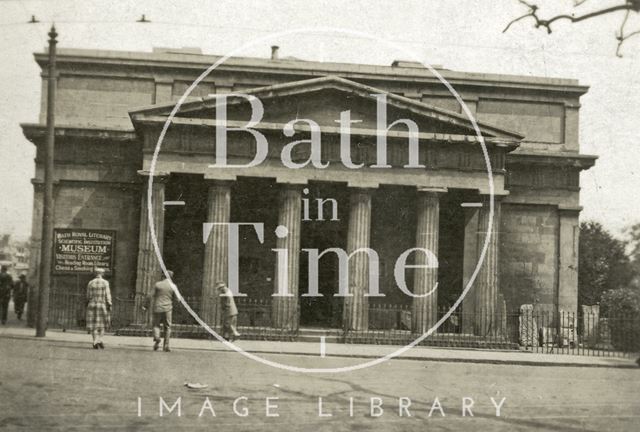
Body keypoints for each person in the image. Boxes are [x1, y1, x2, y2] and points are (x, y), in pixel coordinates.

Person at [143, 270, 176, 352]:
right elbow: (178, 299)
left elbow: (150, 296)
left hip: (157, 308)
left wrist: (145, 305)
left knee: (156, 325)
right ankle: (166, 345)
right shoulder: (173, 286)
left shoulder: (158, 284)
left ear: (163, 276)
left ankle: (157, 338)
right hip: (168, 308)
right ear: (171, 277)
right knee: (167, 327)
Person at [86, 268, 111, 349]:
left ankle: (95, 341)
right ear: (102, 274)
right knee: (102, 324)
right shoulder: (105, 283)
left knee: (94, 325)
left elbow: (88, 296)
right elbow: (107, 295)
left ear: (95, 273)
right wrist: (109, 303)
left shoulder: (90, 282)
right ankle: (98, 340)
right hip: (101, 304)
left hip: (92, 304)